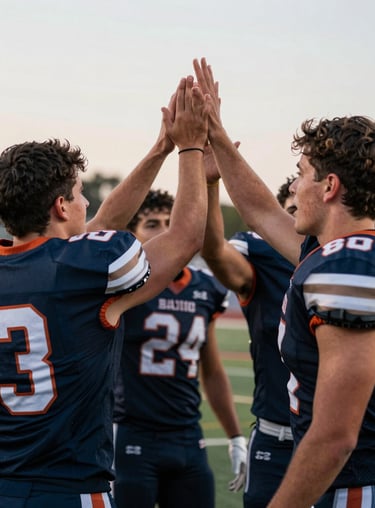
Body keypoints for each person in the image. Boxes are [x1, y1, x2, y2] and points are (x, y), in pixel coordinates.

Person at [0, 75, 209, 508]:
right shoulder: (80, 270)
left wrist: (159, 149)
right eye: (78, 195)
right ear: (60, 206)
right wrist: (189, 148)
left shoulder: (49, 267)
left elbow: (85, 236)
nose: (87, 205)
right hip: (70, 488)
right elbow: (185, 237)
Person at [194, 58, 375, 507]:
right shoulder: (339, 252)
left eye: (300, 173)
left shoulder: (345, 265)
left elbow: (335, 436)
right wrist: (217, 135)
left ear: (329, 186)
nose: (293, 188)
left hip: (350, 486)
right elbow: (263, 212)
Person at [112, 188, 247, 508]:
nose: (166, 232)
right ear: (133, 235)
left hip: (187, 436)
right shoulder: (121, 289)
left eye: (171, 223)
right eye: (153, 224)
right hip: (132, 434)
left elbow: (211, 369)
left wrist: (235, 435)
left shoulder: (204, 287)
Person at [202, 147, 296, 508]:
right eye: (289, 215)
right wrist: (211, 186)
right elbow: (215, 252)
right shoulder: (263, 253)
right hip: (277, 435)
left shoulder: (346, 260)